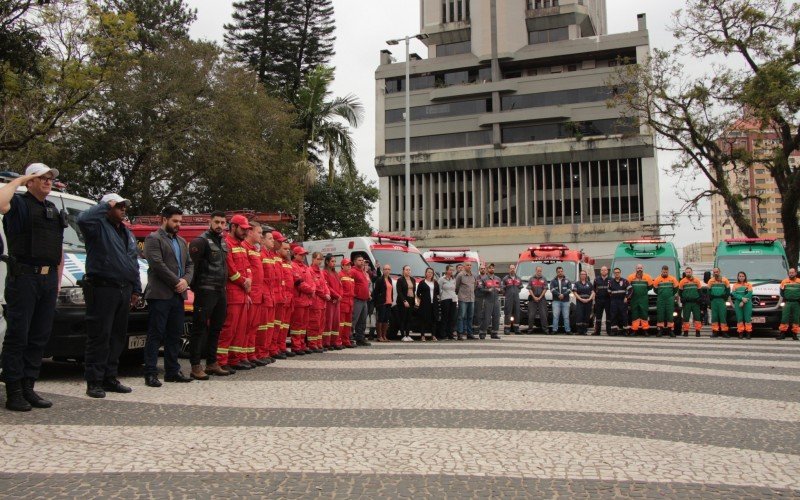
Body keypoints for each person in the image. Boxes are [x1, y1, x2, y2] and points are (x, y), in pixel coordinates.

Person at [0, 164, 65, 411]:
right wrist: (19, 180)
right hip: (24, 277)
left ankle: (29, 386)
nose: (48, 182)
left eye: (50, 178)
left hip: (47, 281)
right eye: (42, 178)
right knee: (19, 336)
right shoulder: (17, 203)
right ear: (31, 181)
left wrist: (56, 283)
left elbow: (57, 249)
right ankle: (14, 390)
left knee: (39, 337)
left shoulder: (51, 208)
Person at [77, 193, 140, 397]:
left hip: (123, 289)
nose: (123, 209)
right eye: (118, 206)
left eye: (124, 206)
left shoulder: (126, 232)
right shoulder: (97, 226)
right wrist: (104, 204)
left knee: (117, 336)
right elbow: (82, 219)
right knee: (99, 336)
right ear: (108, 207)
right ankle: (94, 380)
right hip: (103, 287)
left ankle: (109, 376)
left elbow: (133, 262)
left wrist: (136, 289)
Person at [143, 206, 194, 387]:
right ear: (164, 219)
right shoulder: (153, 238)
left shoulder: (181, 241)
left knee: (174, 334)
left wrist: (186, 281)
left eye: (180, 221)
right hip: (160, 294)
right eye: (175, 221)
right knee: (156, 334)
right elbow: (157, 264)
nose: (178, 225)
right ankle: (150, 372)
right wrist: (177, 282)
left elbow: (189, 265)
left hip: (178, 295)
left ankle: (172, 371)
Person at [186, 211, 229, 380]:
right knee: (199, 328)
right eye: (217, 222)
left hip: (220, 290)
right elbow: (192, 267)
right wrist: (197, 288)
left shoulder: (223, 242)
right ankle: (195, 365)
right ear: (210, 222)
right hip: (205, 289)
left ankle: (212, 363)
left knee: (217, 327)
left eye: (223, 223)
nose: (220, 225)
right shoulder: (200, 241)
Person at [217, 215, 252, 371]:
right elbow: (231, 269)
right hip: (233, 293)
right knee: (229, 328)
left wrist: (249, 279)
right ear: (233, 227)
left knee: (240, 329)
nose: (245, 232)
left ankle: (234, 359)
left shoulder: (242, 245)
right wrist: (244, 281)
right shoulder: (227, 244)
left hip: (243, 293)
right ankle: (221, 361)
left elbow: (248, 266)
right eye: (243, 229)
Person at [240, 222, 266, 367]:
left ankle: (250, 354)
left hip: (258, 294)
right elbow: (245, 272)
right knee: (246, 327)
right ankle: (242, 355)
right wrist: (247, 293)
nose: (261, 235)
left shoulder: (254, 250)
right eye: (259, 232)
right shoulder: (244, 248)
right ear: (250, 232)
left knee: (254, 326)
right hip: (251, 293)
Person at [289, 245, 315, 354]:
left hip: (307, 300)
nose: (303, 256)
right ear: (295, 255)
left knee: (304, 325)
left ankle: (302, 344)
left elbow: (312, 281)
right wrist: (311, 290)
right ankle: (296, 345)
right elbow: (299, 283)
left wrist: (313, 288)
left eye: (304, 254)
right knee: (297, 325)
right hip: (299, 300)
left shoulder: (305, 267)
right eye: (301, 254)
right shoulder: (293, 266)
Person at [256, 228, 277, 364]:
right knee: (262, 327)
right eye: (270, 238)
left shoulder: (270, 256)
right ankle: (260, 353)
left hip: (271, 296)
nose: (273, 241)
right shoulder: (261, 255)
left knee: (269, 326)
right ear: (262, 240)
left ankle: (265, 351)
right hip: (264, 296)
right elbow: (261, 278)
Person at [273, 235, 294, 357]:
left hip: (288, 297)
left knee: (285, 325)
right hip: (281, 296)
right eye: (285, 249)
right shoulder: (278, 260)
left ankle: (281, 346)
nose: (287, 251)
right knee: (277, 325)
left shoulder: (287, 263)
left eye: (288, 249)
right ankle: (275, 347)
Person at [308, 252, 329, 353]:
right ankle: (312, 344)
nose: (319, 261)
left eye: (321, 259)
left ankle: (319, 343)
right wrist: (325, 295)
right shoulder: (310, 270)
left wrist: (327, 293)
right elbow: (315, 287)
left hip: (322, 302)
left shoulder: (320, 272)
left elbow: (325, 285)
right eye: (317, 259)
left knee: (321, 324)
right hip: (315, 302)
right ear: (312, 259)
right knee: (314, 324)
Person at [652, 265, 680, 338]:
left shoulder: (672, 279)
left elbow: (676, 288)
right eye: (664, 272)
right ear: (661, 271)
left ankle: (670, 331)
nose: (665, 273)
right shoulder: (657, 279)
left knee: (670, 315)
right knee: (660, 315)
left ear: (668, 272)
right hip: (660, 299)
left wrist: (670, 295)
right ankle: (660, 331)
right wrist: (661, 294)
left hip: (670, 299)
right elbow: (655, 290)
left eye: (666, 272)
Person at [350, 256, 372, 346]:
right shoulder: (353, 271)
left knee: (362, 321)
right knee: (354, 319)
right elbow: (350, 284)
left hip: (364, 300)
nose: (362, 262)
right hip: (357, 299)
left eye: (363, 260)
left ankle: (360, 338)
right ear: (354, 262)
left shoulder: (363, 272)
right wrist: (354, 294)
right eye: (359, 260)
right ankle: (349, 338)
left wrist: (368, 294)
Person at [678, 267, 705, 338]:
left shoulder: (696, 280)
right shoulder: (682, 281)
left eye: (689, 272)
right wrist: (682, 298)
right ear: (685, 273)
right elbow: (680, 292)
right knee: (686, 318)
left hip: (695, 302)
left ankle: (698, 332)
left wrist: (700, 299)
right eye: (687, 272)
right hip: (686, 303)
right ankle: (686, 332)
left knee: (697, 318)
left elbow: (700, 291)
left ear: (692, 272)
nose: (688, 273)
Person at [323, 254, 342, 349]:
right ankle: (326, 342)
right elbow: (327, 287)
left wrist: (339, 296)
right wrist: (336, 296)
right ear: (327, 262)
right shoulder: (325, 273)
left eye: (335, 261)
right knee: (328, 322)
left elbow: (340, 286)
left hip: (336, 301)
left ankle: (335, 341)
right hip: (330, 301)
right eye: (332, 261)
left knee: (336, 322)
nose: (334, 263)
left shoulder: (335, 273)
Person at [627, 264, 653, 336]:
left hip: (643, 299)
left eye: (641, 268)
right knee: (635, 315)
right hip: (634, 299)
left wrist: (643, 292)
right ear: (636, 269)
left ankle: (645, 331)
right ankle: (634, 330)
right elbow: (627, 287)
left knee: (644, 314)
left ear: (643, 269)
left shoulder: (648, 277)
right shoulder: (630, 277)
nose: (639, 269)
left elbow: (650, 287)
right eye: (638, 268)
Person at [416, 267, 440, 342]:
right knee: (424, 319)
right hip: (425, 304)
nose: (430, 274)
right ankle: (422, 335)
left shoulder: (435, 282)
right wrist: (422, 299)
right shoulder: (422, 282)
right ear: (426, 273)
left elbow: (437, 292)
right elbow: (418, 293)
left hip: (434, 304)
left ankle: (433, 335)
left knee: (434, 319)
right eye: (428, 272)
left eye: (431, 273)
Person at [479, 263, 502, 340]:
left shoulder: (498, 279)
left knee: (496, 317)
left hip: (496, 300)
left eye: (493, 268)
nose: (492, 269)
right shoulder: (484, 279)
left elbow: (502, 288)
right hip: (487, 300)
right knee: (486, 317)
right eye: (490, 268)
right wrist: (487, 290)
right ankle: (482, 333)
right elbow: (480, 289)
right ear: (487, 269)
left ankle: (494, 333)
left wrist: (500, 290)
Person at [454, 262, 476, 340]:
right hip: (463, 299)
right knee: (461, 317)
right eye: (467, 265)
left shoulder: (473, 275)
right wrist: (460, 294)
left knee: (470, 317)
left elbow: (474, 286)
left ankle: (469, 334)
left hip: (471, 299)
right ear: (464, 266)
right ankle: (460, 333)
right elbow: (456, 287)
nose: (469, 266)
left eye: (470, 265)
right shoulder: (460, 275)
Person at [707, 267, 731, 338]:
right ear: (713, 273)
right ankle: (715, 332)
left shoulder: (725, 280)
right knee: (714, 317)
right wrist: (711, 300)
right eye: (714, 272)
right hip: (714, 301)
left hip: (722, 300)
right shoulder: (710, 281)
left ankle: (724, 332)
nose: (715, 273)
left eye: (717, 272)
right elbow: (708, 292)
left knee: (722, 316)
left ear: (719, 272)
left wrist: (725, 298)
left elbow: (728, 290)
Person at [372, 263, 392, 343]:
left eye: (388, 269)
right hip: (381, 303)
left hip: (389, 302)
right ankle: (379, 336)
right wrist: (376, 303)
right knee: (380, 319)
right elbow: (376, 292)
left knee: (386, 320)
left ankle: (384, 336)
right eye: (385, 269)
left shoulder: (390, 279)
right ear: (383, 270)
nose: (387, 271)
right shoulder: (380, 279)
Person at [608, 268, 632, 336]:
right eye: (615, 272)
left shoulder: (625, 281)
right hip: (614, 301)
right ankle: (614, 331)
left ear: (620, 273)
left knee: (624, 316)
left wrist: (626, 297)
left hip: (622, 301)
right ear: (614, 273)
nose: (617, 273)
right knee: (613, 316)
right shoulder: (610, 282)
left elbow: (630, 290)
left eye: (618, 272)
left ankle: (625, 331)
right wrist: (613, 298)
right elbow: (609, 292)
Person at [778, 267, 800, 341]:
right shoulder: (784, 281)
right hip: (787, 302)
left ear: (795, 273)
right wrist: (785, 298)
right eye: (790, 273)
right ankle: (782, 334)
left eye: (792, 272)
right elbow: (781, 292)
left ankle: (794, 335)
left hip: (797, 303)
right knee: (785, 318)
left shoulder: (799, 281)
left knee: (796, 319)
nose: (791, 274)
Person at [395, 265, 416, 341]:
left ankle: (408, 335)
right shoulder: (400, 280)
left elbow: (414, 291)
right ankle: (403, 335)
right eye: (406, 270)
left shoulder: (413, 279)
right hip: (403, 301)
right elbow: (399, 292)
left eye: (409, 270)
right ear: (403, 271)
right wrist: (404, 300)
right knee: (403, 318)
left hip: (411, 300)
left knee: (409, 318)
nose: (408, 271)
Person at [731, 271, 753, 340]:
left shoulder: (748, 284)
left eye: (743, 276)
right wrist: (742, 298)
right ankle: (740, 333)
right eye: (740, 276)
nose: (741, 277)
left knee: (747, 318)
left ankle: (748, 333)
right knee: (739, 318)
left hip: (747, 303)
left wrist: (743, 301)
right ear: (738, 277)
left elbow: (750, 293)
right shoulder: (735, 285)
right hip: (738, 303)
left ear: (745, 277)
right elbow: (734, 294)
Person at [550, 266, 572, 334]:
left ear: (563, 271)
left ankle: (568, 330)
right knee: (555, 316)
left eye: (561, 271)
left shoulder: (567, 280)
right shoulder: (553, 281)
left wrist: (563, 295)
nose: (560, 273)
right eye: (559, 272)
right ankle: (554, 330)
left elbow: (570, 289)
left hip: (565, 301)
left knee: (566, 316)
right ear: (556, 273)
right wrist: (558, 295)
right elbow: (552, 289)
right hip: (556, 301)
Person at [527, 266, 549, 334]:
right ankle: (530, 330)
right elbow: (529, 289)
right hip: (533, 299)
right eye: (538, 271)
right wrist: (534, 297)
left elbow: (545, 289)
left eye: (540, 271)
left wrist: (540, 297)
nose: (539, 272)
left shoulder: (544, 279)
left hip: (541, 299)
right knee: (531, 315)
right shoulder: (531, 279)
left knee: (543, 315)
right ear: (535, 270)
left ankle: (545, 330)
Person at [338, 259, 355, 348]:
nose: (349, 266)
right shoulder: (340, 275)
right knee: (341, 323)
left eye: (350, 265)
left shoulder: (351, 276)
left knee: (348, 323)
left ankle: (346, 340)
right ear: (342, 266)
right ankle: (339, 341)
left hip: (350, 302)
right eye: (347, 265)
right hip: (343, 302)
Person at [438, 265, 457, 340]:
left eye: (452, 270)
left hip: (453, 299)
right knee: (445, 317)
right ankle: (443, 334)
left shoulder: (453, 279)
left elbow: (454, 289)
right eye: (450, 270)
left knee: (452, 318)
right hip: (445, 299)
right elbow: (439, 290)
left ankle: (450, 334)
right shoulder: (442, 279)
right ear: (446, 271)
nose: (451, 272)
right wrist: (441, 297)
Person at [502, 264, 522, 334]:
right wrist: (508, 294)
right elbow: (503, 288)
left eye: (513, 268)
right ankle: (507, 329)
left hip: (516, 298)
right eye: (511, 268)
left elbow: (520, 287)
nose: (512, 270)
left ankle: (516, 329)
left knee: (517, 313)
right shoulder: (505, 278)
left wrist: (516, 292)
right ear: (509, 269)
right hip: (509, 299)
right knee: (508, 313)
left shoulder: (518, 278)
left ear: (515, 269)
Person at [573, 270, 594, 335]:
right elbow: (574, 292)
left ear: (586, 275)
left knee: (586, 316)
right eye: (582, 274)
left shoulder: (589, 283)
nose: (583, 275)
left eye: (584, 274)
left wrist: (589, 299)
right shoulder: (577, 283)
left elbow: (593, 292)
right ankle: (579, 331)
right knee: (580, 315)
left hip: (588, 301)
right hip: (580, 301)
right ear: (580, 275)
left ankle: (584, 331)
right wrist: (581, 299)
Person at [592, 266, 612, 336]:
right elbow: (594, 289)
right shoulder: (596, 279)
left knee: (609, 316)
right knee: (598, 316)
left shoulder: (611, 279)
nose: (604, 271)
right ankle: (597, 331)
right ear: (600, 271)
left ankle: (609, 331)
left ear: (607, 271)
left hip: (608, 300)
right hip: (599, 300)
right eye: (602, 270)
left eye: (605, 270)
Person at [473, 263, 487, 332]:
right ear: (479, 269)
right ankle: (476, 328)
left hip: (487, 297)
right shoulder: (476, 278)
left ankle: (487, 328)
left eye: (484, 268)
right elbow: (476, 287)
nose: (483, 270)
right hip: (478, 297)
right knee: (477, 313)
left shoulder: (488, 278)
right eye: (481, 268)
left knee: (486, 313)